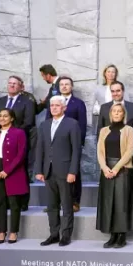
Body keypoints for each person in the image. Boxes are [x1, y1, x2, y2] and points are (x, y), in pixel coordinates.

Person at [35, 96, 82, 247]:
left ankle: (66, 235)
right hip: (48, 172)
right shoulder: (44, 125)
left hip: (65, 171)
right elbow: (40, 148)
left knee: (67, 206)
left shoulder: (72, 124)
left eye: (57, 105)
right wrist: (39, 170)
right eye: (52, 105)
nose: (54, 108)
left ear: (64, 108)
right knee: (51, 206)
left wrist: (73, 171)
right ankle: (54, 234)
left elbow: (76, 150)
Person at [96, 103, 133, 249]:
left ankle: (121, 235)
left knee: (121, 203)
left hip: (122, 170)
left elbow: (130, 151)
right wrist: (105, 168)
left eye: (119, 111)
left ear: (123, 114)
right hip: (106, 170)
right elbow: (100, 151)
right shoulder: (103, 131)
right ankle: (112, 235)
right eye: (114, 111)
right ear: (110, 114)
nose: (116, 113)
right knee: (109, 203)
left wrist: (116, 169)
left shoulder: (129, 130)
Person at [0, 76, 35, 211]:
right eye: (10, 83)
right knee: (0, 171)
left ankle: (22, 203)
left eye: (15, 83)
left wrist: (12, 133)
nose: (12, 85)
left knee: (20, 172)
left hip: (18, 141)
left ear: (21, 86)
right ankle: (2, 203)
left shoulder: (27, 102)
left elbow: (28, 121)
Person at [97, 81, 133, 213]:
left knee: (132, 178)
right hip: (109, 150)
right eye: (113, 91)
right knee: (110, 181)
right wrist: (100, 151)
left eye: (118, 90)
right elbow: (100, 128)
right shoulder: (104, 107)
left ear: (123, 91)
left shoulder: (132, 106)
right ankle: (112, 209)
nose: (115, 93)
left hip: (127, 150)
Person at [0, 109, 28, 244]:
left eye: (5, 116)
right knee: (0, 203)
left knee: (14, 203)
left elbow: (21, 154)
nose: (2, 118)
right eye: (0, 116)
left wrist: (7, 171)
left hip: (13, 170)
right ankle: (1, 231)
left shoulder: (19, 133)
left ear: (12, 118)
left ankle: (13, 232)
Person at [50, 76, 87, 212]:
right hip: (56, 143)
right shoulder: (53, 101)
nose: (64, 86)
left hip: (72, 143)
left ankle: (74, 201)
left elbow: (82, 124)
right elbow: (49, 122)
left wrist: (79, 143)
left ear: (72, 87)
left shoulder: (78, 103)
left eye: (67, 84)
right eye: (62, 84)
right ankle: (55, 202)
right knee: (54, 172)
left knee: (73, 171)